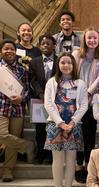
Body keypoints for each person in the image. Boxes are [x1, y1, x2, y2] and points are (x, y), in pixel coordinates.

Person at [44, 52, 88, 187]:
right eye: (63, 62)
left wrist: (72, 123)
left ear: (73, 65)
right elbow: (48, 104)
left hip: (74, 127)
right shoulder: (51, 82)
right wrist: (61, 123)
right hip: (55, 126)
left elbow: (83, 105)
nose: (66, 65)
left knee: (71, 161)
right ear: (58, 65)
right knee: (57, 160)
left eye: (69, 62)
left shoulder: (80, 83)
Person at [72, 27, 99, 183]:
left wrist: (88, 92)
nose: (92, 41)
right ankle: (78, 164)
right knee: (78, 135)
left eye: (95, 38)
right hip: (76, 102)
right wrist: (80, 93)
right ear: (84, 39)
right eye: (89, 38)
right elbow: (71, 75)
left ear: (98, 40)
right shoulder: (75, 54)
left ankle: (87, 165)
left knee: (89, 135)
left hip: (92, 102)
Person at [0, 39, 34, 182]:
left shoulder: (22, 69)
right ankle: (26, 145)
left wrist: (22, 97)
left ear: (16, 52)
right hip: (1, 107)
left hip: (17, 109)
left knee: (12, 141)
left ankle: (8, 170)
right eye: (6, 48)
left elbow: (28, 90)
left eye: (12, 49)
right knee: (2, 134)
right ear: (1, 51)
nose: (9, 51)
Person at [30, 34, 57, 164]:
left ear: (54, 46)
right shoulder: (34, 62)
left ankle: (50, 156)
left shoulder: (59, 60)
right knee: (40, 129)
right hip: (39, 100)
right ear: (39, 46)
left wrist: (52, 96)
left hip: (55, 100)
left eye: (48, 43)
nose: (45, 45)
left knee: (53, 127)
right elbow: (33, 80)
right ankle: (40, 154)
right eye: (43, 43)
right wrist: (41, 94)